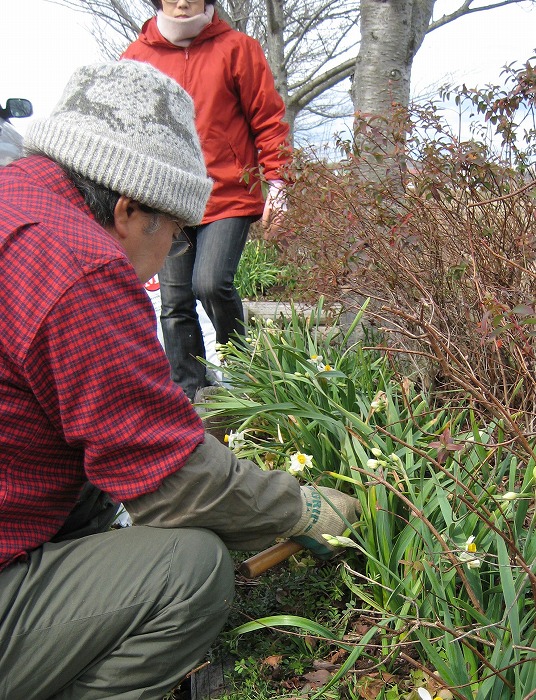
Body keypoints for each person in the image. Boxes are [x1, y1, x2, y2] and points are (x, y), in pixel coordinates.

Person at [0, 60, 359, 699]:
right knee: (188, 572)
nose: (170, 255)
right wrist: (302, 509)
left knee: (92, 487)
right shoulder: (79, 265)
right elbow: (169, 482)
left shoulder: (17, 201)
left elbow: (118, 421)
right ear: (129, 208)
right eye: (174, 234)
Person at [122, 0, 291, 400]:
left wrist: (278, 182)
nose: (183, 2)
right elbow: (125, 129)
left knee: (210, 283)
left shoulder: (237, 49)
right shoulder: (137, 56)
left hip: (227, 193)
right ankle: (190, 394)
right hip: (165, 198)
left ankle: (241, 379)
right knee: (175, 301)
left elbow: (267, 118)